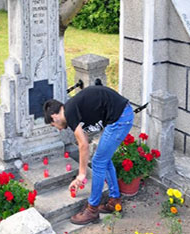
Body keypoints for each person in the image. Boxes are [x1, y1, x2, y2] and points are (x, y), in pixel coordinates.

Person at [43, 85, 134, 225]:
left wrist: (81, 174)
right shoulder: (72, 110)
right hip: (120, 115)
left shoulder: (69, 112)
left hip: (120, 118)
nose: (58, 129)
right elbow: (82, 140)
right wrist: (81, 175)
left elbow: (83, 145)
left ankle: (92, 210)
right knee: (104, 159)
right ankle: (115, 201)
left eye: (53, 126)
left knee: (98, 162)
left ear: (54, 117)